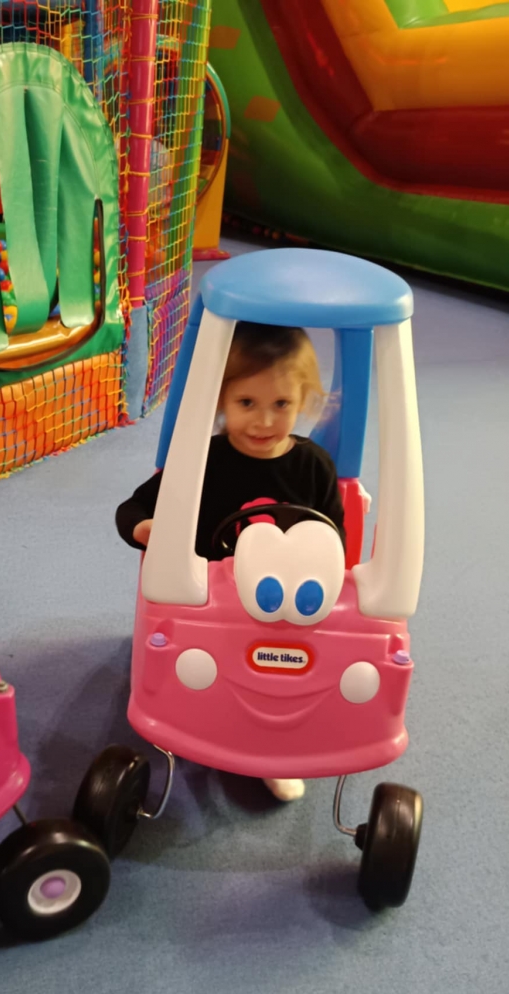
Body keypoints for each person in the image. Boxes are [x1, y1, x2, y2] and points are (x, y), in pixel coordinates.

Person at [115, 322, 346, 803]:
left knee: (295, 671)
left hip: (283, 613)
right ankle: (198, 725)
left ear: (302, 400)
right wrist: (148, 529)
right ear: (222, 399)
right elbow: (132, 509)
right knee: (201, 680)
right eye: (247, 403)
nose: (264, 421)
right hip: (206, 606)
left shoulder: (314, 467)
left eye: (280, 404)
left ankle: (271, 751)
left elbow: (334, 542)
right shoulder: (202, 460)